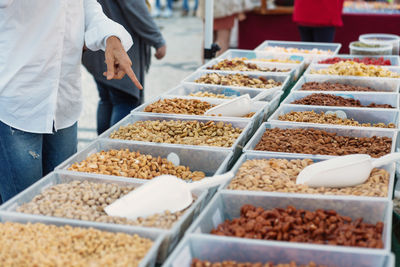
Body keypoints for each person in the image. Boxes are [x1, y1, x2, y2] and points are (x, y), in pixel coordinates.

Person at [0, 1, 141, 202]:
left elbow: (86, 7)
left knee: (64, 203)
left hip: (64, 103)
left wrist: (111, 37)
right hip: (18, 103)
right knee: (23, 211)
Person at [82, 0, 166, 135]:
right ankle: (114, 149)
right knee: (125, 100)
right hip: (116, 45)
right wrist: (158, 39)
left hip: (98, 43)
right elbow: (136, 7)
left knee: (108, 99)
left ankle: (103, 149)